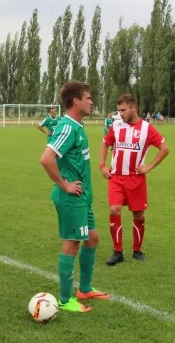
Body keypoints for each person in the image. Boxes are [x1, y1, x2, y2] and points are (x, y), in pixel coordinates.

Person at [39, 81, 110, 313]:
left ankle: (85, 289)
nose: (92, 101)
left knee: (92, 239)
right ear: (76, 101)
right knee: (71, 246)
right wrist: (64, 185)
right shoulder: (68, 127)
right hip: (71, 199)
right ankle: (65, 299)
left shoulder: (78, 126)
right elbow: (46, 159)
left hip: (83, 198)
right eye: (88, 98)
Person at [100, 94, 170, 265]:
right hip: (116, 178)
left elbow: (164, 148)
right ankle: (118, 252)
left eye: (123, 110)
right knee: (114, 210)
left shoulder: (147, 128)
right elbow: (105, 143)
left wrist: (148, 167)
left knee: (138, 215)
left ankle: (137, 251)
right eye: (119, 110)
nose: (120, 114)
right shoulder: (116, 125)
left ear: (133, 108)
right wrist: (102, 165)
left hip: (136, 180)